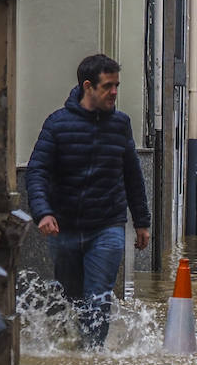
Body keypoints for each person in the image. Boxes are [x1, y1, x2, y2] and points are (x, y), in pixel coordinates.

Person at [26, 53, 151, 349]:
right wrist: (43, 213)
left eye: (117, 85)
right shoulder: (57, 124)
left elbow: (133, 175)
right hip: (64, 228)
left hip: (107, 225)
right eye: (108, 86)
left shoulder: (121, 124)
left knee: (98, 297)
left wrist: (142, 222)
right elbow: (37, 172)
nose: (115, 92)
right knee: (74, 297)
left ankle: (92, 355)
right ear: (88, 86)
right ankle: (82, 344)